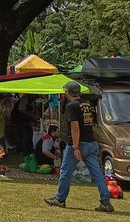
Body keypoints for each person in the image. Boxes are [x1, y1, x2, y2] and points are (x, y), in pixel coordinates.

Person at [45, 82, 113, 212]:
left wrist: (75, 148)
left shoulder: (72, 106)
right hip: (91, 143)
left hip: (78, 144)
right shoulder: (86, 104)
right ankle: (106, 202)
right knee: (97, 174)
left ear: (68, 92)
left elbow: (75, 127)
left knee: (65, 172)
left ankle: (60, 199)